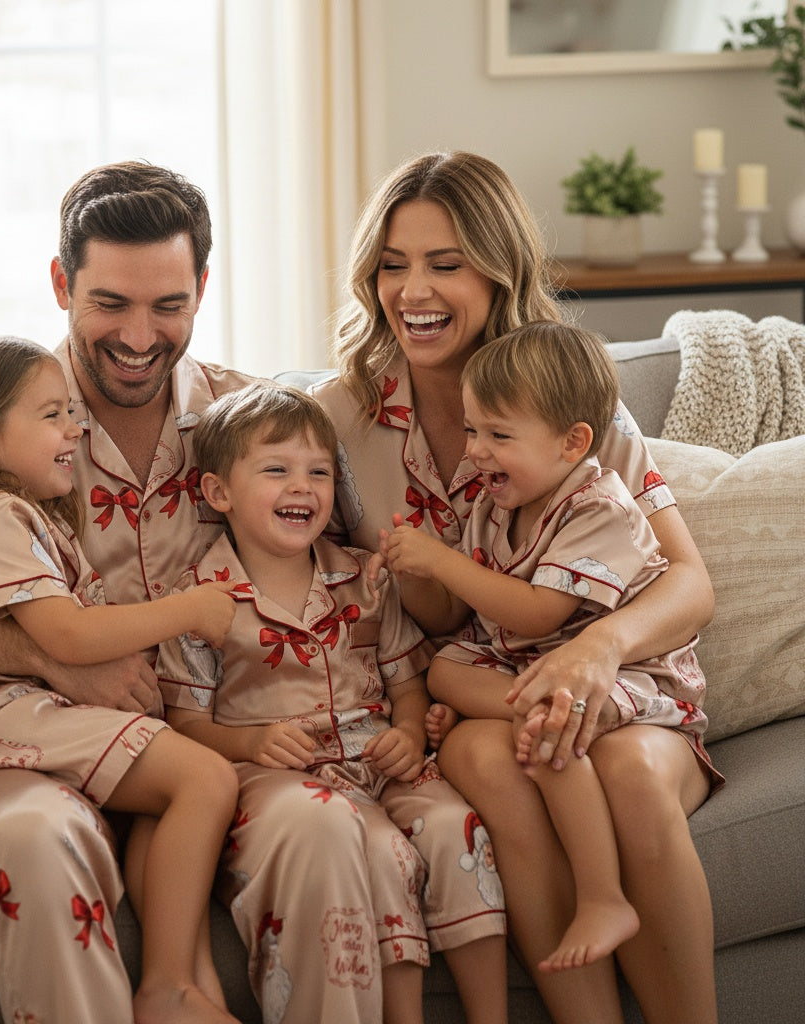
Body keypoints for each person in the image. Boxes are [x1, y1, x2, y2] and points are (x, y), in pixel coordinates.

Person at [0, 161, 264, 1024]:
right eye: (111, 302)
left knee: (318, 833)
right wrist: (50, 658)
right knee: (35, 839)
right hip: (18, 760)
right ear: (62, 282)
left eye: (168, 305)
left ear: (202, 289)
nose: (140, 335)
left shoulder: (254, 422)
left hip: (194, 746)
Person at [311, 151, 721, 1024]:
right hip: (470, 692)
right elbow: (408, 611)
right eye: (393, 264)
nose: (412, 289)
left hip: (611, 682)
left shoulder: (571, 400)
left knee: (628, 775)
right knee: (504, 765)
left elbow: (688, 582)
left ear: (499, 273)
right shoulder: (342, 420)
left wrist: (598, 649)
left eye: (445, 263)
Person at [0, 334, 240, 1024]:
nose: (75, 430)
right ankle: (168, 984)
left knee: (167, 793)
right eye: (53, 416)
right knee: (205, 778)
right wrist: (187, 610)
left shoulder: (29, 518)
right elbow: (66, 637)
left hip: (18, 723)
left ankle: (191, 984)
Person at [373, 322, 722, 976]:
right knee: (444, 668)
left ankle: (602, 896)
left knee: (554, 728)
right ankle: (524, 709)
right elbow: (464, 619)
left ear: (574, 442)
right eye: (472, 431)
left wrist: (445, 563)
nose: (475, 452)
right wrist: (413, 572)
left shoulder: (596, 503)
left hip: (634, 676)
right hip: (530, 664)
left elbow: (538, 612)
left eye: (497, 436)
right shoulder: (496, 502)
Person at [156, 381, 508, 1024]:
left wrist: (408, 728)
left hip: (382, 760)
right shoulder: (199, 599)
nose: (304, 486)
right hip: (284, 779)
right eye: (277, 469)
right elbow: (185, 724)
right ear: (218, 492)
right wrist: (249, 743)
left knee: (459, 830)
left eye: (319, 471)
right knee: (382, 852)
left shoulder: (363, 576)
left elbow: (406, 682)